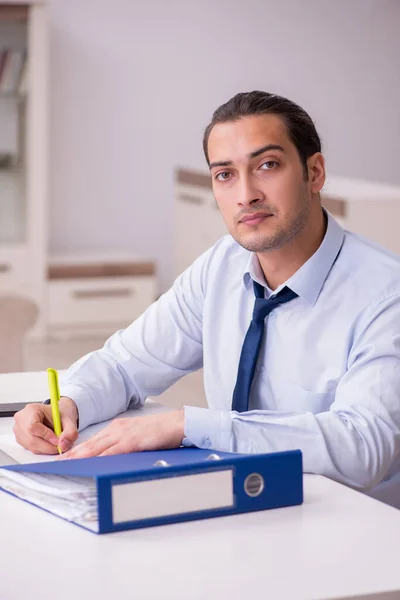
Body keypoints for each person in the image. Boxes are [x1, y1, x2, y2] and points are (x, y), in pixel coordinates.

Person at [14, 91, 400, 506]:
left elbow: (364, 447)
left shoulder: (384, 294)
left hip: (352, 525)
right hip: (242, 507)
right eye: (225, 175)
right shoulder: (223, 265)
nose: (246, 194)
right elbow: (126, 365)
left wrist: (189, 425)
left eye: (267, 166)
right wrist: (69, 403)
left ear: (315, 172)